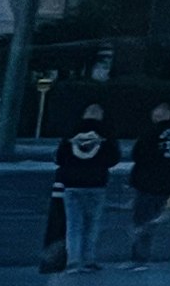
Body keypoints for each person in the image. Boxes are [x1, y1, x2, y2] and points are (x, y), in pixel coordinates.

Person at [125, 102, 170, 268]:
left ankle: (139, 258)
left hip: (147, 182)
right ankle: (143, 257)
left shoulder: (150, 133)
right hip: (167, 183)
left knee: (141, 220)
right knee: (151, 219)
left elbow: (137, 154)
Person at [54, 101, 118, 271]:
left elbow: (60, 158)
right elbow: (114, 158)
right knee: (92, 224)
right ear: (101, 115)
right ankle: (89, 259)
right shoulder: (106, 133)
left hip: (72, 184)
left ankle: (73, 260)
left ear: (84, 114)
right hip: (96, 183)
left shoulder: (72, 131)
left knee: (74, 224)